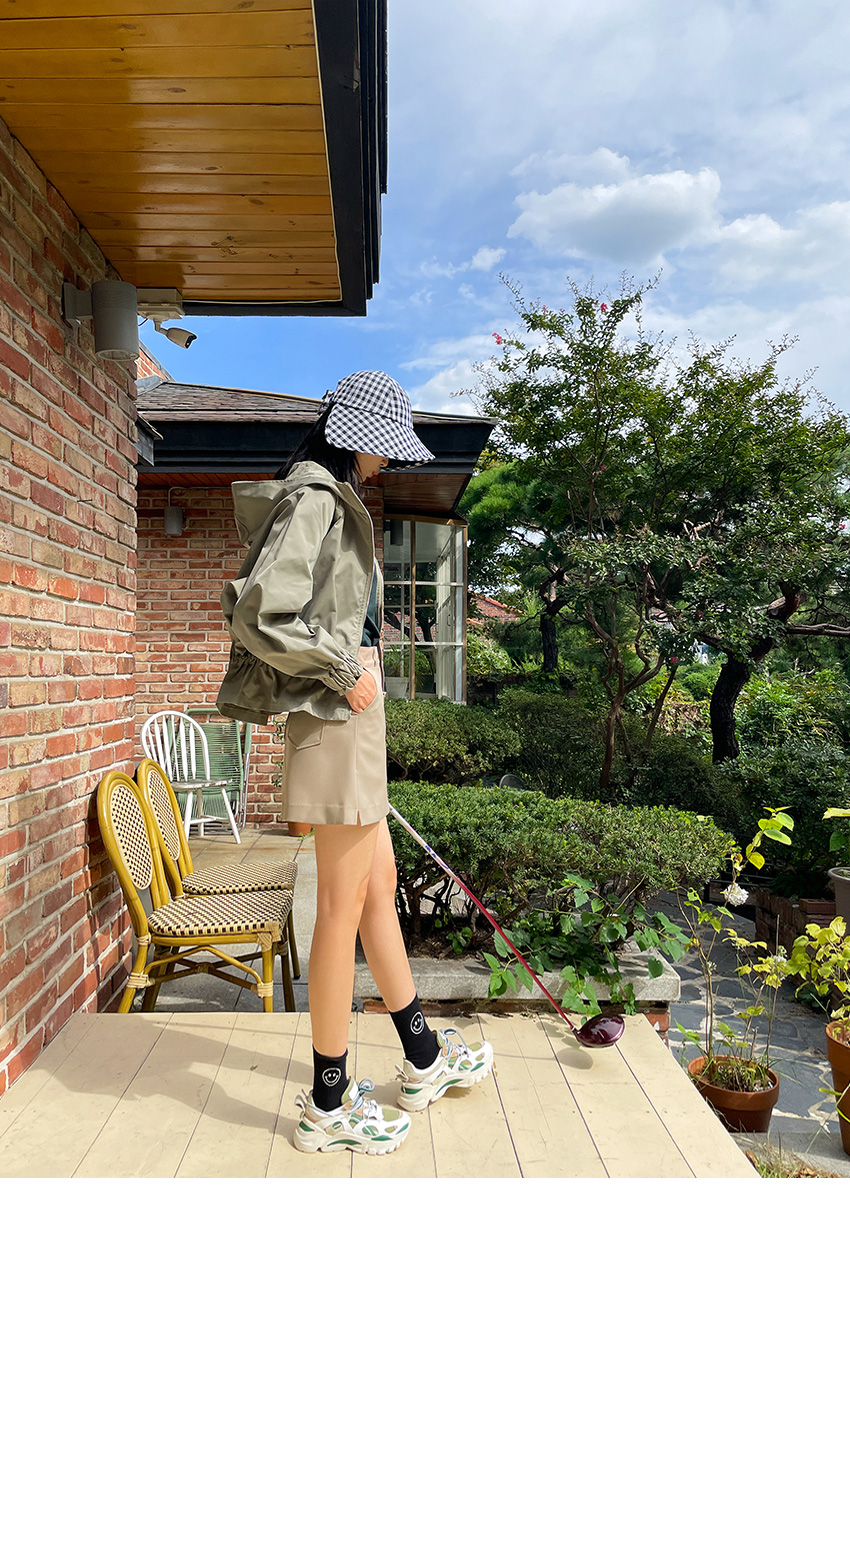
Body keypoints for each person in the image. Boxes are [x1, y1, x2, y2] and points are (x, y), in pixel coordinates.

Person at [217, 371, 493, 1156]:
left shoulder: (336, 498)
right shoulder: (313, 498)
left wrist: (354, 673)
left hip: (350, 718)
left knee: (376, 889)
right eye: (383, 447)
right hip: (335, 716)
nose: (388, 462)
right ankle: (328, 1105)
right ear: (354, 436)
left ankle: (423, 1059)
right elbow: (259, 611)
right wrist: (344, 670)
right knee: (340, 910)